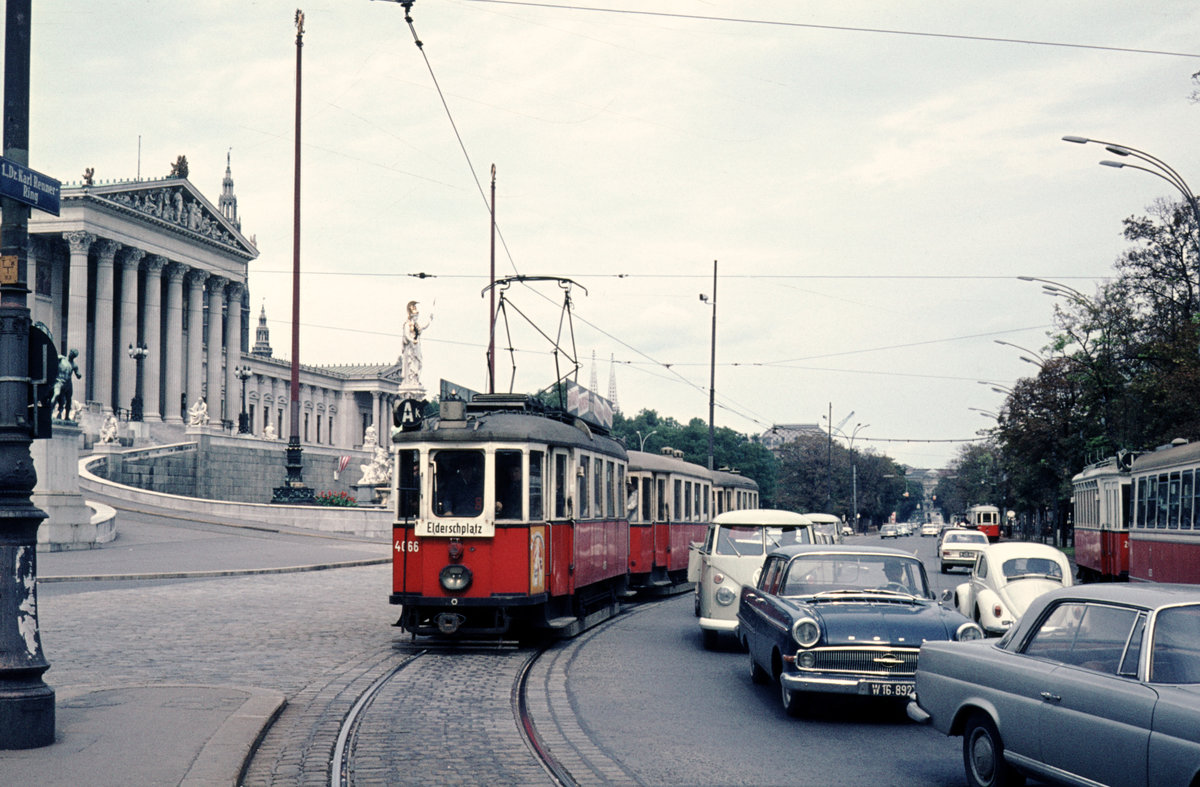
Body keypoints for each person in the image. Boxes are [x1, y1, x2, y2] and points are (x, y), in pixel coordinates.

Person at [400, 300, 433, 389]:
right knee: (411, 364)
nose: (416, 318)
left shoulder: (417, 325)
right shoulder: (407, 324)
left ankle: (415, 380)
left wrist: (430, 319)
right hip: (410, 348)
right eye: (415, 316)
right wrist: (412, 340)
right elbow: (406, 335)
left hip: (417, 346)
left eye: (417, 316)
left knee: (419, 362)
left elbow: (424, 326)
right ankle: (410, 380)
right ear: (411, 315)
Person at [52, 348, 81, 420]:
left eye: (74, 355)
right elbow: (51, 363)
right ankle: (49, 412)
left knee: (69, 399)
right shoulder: (61, 358)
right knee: (56, 394)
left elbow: (77, 373)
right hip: (59, 381)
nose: (72, 355)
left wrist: (79, 375)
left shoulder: (74, 365)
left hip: (68, 384)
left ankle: (66, 416)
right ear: (69, 352)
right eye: (72, 353)